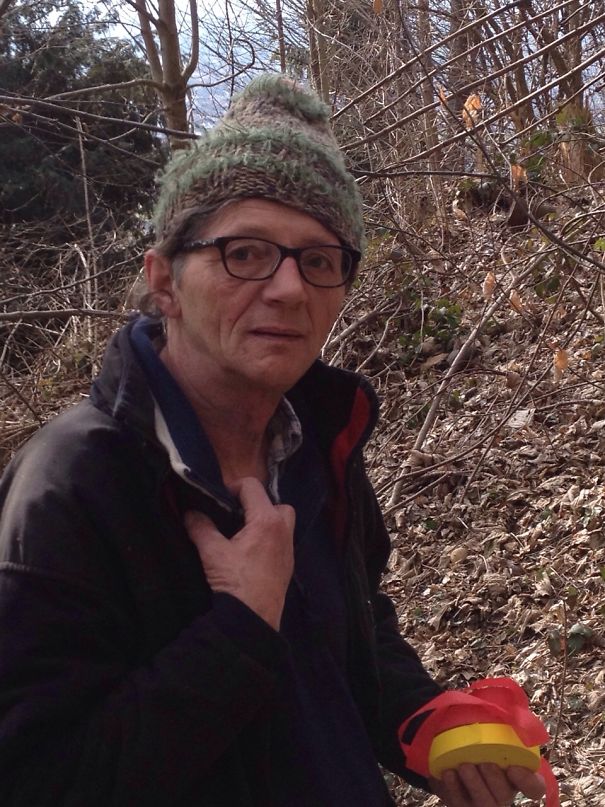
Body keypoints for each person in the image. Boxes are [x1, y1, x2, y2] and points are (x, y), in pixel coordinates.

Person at [0, 75, 546, 807]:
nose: (290, 288)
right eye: (246, 252)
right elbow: (40, 778)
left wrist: (427, 718)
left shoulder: (317, 445)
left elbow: (350, 631)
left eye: (319, 260)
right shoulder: (70, 485)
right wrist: (239, 627)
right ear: (163, 281)